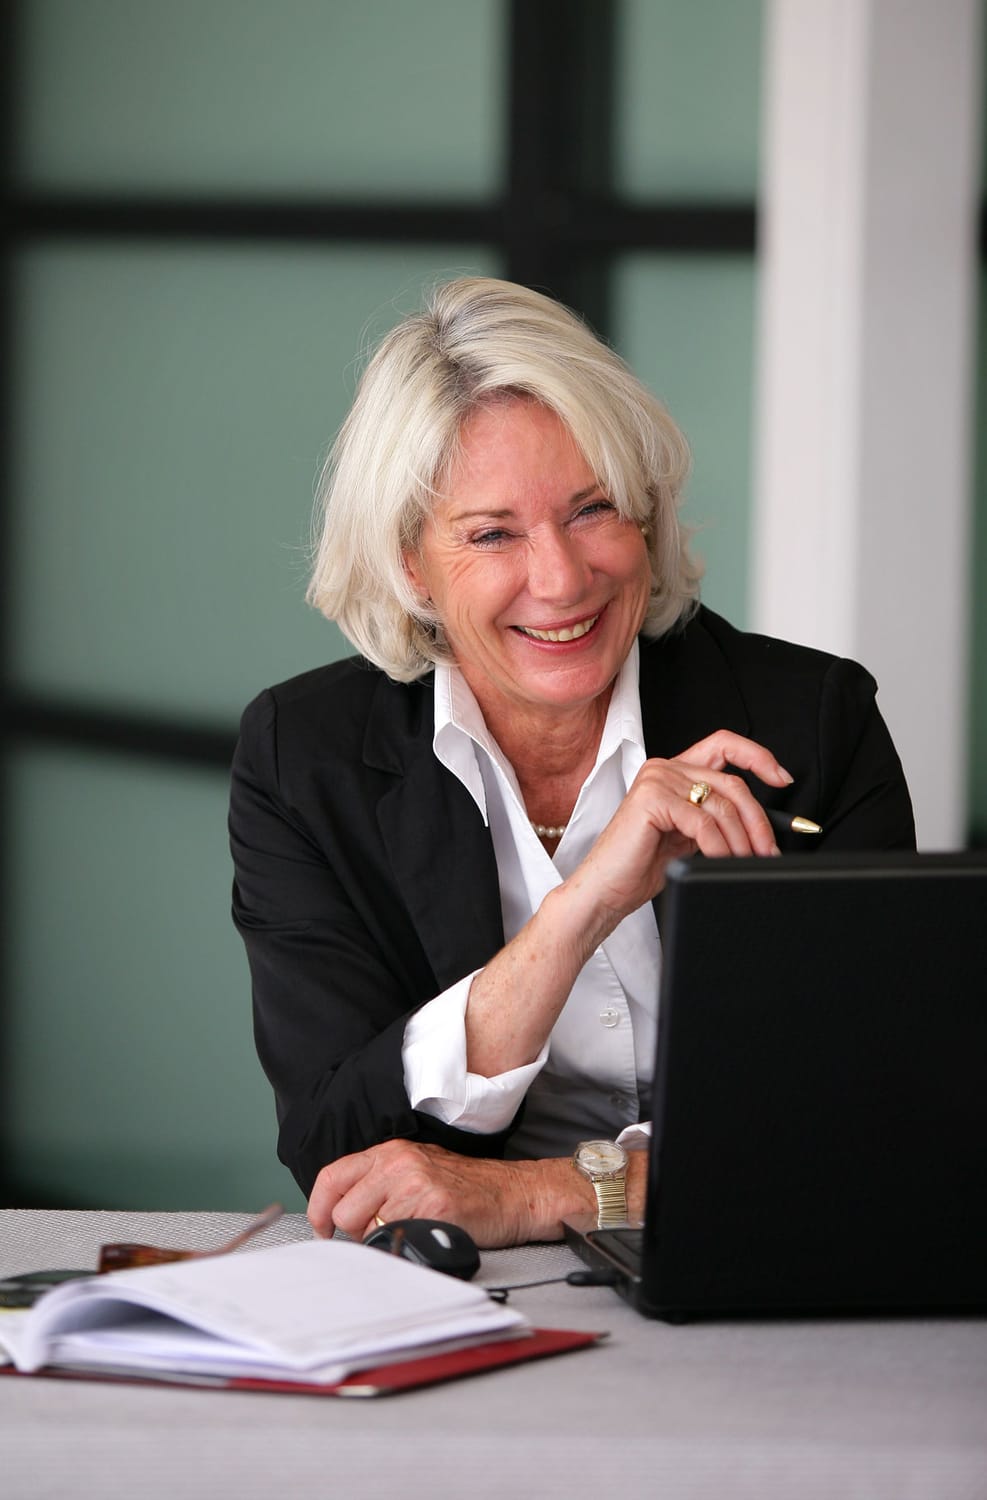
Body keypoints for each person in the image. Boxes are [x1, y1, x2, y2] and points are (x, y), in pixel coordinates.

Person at [229, 277, 914, 1248]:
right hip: (463, 1297)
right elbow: (344, 1153)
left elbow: (870, 1125)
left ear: (645, 514)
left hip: (765, 1262)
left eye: (592, 510)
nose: (561, 579)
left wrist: (531, 1195)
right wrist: (586, 903)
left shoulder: (813, 721)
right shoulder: (307, 756)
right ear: (410, 564)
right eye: (492, 533)